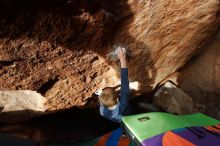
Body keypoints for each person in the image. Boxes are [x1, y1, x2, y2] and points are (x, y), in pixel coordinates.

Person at [99, 47, 131, 123]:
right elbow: (124, 82)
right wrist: (123, 59)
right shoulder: (123, 103)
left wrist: (100, 93)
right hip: (128, 116)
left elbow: (103, 99)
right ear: (117, 99)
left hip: (117, 120)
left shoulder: (102, 111)